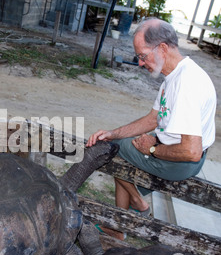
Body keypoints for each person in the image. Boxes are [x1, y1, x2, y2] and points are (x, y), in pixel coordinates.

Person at [86, 18, 217, 240]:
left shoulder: (187, 84)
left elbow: (191, 151)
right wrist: (113, 132)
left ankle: (134, 208)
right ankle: (122, 221)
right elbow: (153, 119)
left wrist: (152, 150)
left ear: (163, 48)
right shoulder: (173, 77)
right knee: (121, 145)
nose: (140, 63)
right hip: (175, 149)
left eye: (142, 56)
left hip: (184, 162)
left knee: (115, 150)